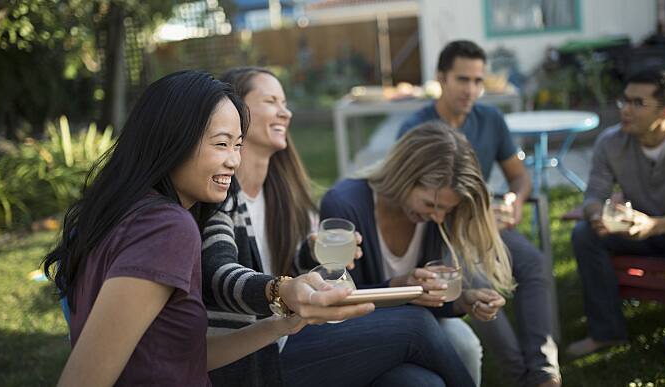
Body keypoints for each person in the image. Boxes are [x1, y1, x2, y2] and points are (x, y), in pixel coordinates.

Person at [41, 70, 354, 386]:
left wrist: (283, 324)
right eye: (221, 144)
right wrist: (281, 289)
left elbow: (182, 358)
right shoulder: (167, 228)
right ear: (173, 140)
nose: (234, 160)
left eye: (237, 145)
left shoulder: (126, 215)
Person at [202, 66, 476, 387]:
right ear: (232, 110)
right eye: (271, 101)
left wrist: (311, 257)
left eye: (285, 102)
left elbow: (292, 276)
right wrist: (281, 290)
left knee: (418, 383)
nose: (285, 112)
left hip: (291, 333)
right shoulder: (219, 194)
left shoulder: (285, 198)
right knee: (416, 324)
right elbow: (217, 274)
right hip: (253, 353)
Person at [397, 40, 561, 387]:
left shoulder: (490, 119)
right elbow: (406, 198)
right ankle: (520, 374)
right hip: (436, 231)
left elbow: (518, 174)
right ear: (441, 78)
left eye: (478, 80)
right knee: (474, 280)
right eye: (462, 79)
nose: (471, 89)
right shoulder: (416, 128)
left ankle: (544, 370)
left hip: (483, 222)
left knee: (532, 262)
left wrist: (515, 201)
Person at [321, 121, 513, 384]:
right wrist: (398, 286)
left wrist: (462, 300)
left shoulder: (436, 215)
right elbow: (339, 301)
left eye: (446, 209)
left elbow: (423, 301)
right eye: (430, 204)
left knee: (465, 343)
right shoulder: (344, 204)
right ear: (405, 177)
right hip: (360, 331)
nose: (437, 217)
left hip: (419, 324)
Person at [566, 70, 665, 373]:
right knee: (584, 234)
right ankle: (606, 333)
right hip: (629, 228)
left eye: (638, 103)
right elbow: (593, 195)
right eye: (624, 101)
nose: (625, 110)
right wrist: (596, 215)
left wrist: (655, 225)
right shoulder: (610, 142)